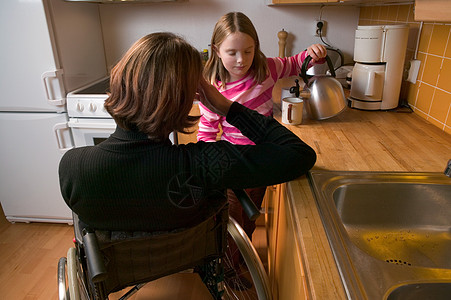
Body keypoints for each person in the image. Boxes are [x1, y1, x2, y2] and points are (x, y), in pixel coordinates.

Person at [59, 32, 316, 234]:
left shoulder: (72, 168)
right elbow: (299, 154)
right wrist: (227, 107)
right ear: (183, 99)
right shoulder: (202, 164)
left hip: (125, 270)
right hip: (187, 258)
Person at [198, 12, 326, 244]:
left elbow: (295, 63)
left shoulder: (267, 69)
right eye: (232, 52)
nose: (241, 60)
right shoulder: (214, 88)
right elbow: (206, 133)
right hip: (235, 164)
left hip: (264, 160)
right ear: (216, 51)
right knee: (231, 225)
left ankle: (239, 264)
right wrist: (213, 175)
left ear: (256, 47)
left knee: (249, 219)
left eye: (248, 51)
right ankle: (230, 272)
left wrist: (313, 54)